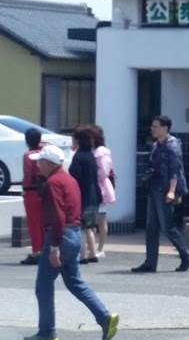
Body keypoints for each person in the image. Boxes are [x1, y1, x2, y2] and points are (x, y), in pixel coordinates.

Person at [24, 144, 118, 340]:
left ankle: (47, 332)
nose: (38, 166)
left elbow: (58, 217)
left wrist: (55, 247)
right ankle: (105, 317)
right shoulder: (69, 180)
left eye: (40, 162)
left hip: (61, 235)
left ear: (48, 163)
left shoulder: (53, 183)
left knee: (43, 286)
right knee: (75, 282)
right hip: (74, 234)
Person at [132, 115, 189, 273]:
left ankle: (186, 256)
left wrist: (172, 191)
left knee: (167, 226)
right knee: (151, 227)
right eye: (152, 126)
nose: (152, 129)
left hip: (165, 188)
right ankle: (150, 262)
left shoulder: (172, 145)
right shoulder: (156, 145)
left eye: (156, 126)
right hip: (154, 187)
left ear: (165, 128)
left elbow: (176, 170)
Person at [69, 125, 101, 264]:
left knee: (81, 227)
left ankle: (83, 255)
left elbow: (75, 176)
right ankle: (93, 252)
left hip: (82, 195)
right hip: (94, 194)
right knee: (90, 226)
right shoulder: (91, 156)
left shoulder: (79, 157)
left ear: (78, 140)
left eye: (73, 138)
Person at [20, 128, 44, 265]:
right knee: (43, 223)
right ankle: (43, 250)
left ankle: (36, 252)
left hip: (31, 192)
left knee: (33, 223)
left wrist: (24, 188)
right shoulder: (42, 152)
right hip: (43, 191)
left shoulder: (28, 155)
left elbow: (27, 174)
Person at [91, 124, 115, 258]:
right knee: (97, 219)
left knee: (100, 218)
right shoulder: (99, 150)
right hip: (99, 187)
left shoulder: (101, 152)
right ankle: (94, 247)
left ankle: (99, 248)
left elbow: (104, 171)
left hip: (100, 188)